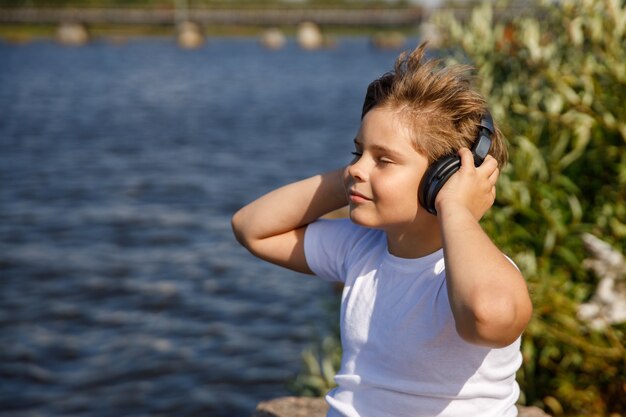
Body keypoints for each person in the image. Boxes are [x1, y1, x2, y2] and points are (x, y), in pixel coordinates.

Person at [231, 43, 533, 417]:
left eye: (384, 159)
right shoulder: (361, 249)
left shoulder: (478, 274)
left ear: (443, 178)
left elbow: (489, 317)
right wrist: (355, 176)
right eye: (358, 152)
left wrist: (455, 207)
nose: (356, 168)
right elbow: (251, 227)